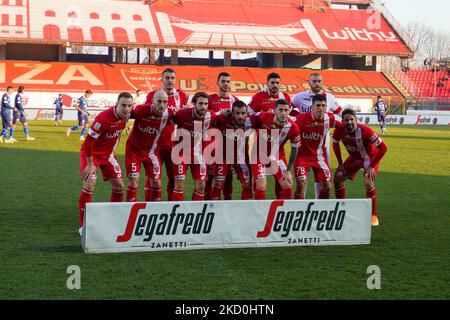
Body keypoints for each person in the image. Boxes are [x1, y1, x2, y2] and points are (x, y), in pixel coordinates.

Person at [77, 92, 133, 236]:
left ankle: (113, 220)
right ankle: (83, 226)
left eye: (129, 106)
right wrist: (90, 164)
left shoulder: (127, 116)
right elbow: (88, 142)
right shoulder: (103, 119)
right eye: (123, 105)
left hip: (108, 155)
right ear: (116, 104)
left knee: (119, 186)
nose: (127, 109)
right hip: (91, 154)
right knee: (90, 183)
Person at [332, 108, 388, 226]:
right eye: (346, 120)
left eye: (352, 119)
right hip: (353, 159)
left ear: (356, 120)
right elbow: (335, 144)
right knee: (337, 179)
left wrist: (372, 166)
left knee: (367, 182)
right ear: (342, 121)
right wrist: (340, 164)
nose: (349, 122)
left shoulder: (366, 131)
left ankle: (373, 215)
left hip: (369, 159)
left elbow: (383, 148)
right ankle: (340, 209)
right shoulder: (339, 131)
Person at [291, 73, 342, 199]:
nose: (317, 83)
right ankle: (299, 204)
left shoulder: (329, 98)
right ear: (309, 82)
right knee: (302, 180)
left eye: (319, 81)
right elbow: (287, 108)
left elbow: (341, 114)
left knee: (323, 179)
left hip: (322, 144)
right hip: (303, 145)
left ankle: (317, 204)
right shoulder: (299, 97)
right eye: (314, 81)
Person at [144, 68, 191, 201]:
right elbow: (144, 114)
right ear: (162, 79)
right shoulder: (152, 96)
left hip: (174, 146)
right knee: (152, 177)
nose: (170, 80)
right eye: (167, 78)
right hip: (155, 146)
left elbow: (191, 111)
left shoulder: (183, 96)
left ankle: (171, 208)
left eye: (172, 78)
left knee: (174, 177)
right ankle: (150, 207)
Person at [125, 90, 174, 202]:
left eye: (165, 102)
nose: (162, 105)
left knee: (156, 182)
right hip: (134, 151)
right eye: (159, 101)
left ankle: (155, 212)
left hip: (151, 152)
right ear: (152, 101)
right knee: (133, 179)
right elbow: (125, 114)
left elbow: (183, 118)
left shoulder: (169, 114)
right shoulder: (141, 110)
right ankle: (130, 210)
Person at [251, 99, 300, 200]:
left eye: (286, 110)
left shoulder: (293, 128)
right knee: (261, 186)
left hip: (277, 157)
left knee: (287, 185)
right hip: (258, 156)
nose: (283, 113)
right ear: (274, 110)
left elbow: (294, 149)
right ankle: (259, 213)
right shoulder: (263, 116)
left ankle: (282, 213)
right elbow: (249, 117)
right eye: (280, 110)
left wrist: (288, 170)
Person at [171, 92, 216, 201]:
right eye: (200, 103)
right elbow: (169, 121)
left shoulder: (211, 117)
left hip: (198, 155)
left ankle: (195, 214)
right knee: (179, 184)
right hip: (181, 154)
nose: (203, 107)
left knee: (201, 186)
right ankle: (177, 213)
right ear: (194, 104)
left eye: (206, 104)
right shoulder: (182, 114)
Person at [205, 72, 240, 200]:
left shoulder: (235, 101)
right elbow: (205, 120)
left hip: (228, 148)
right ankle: (206, 208)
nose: (226, 84)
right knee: (208, 180)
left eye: (228, 81)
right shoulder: (209, 100)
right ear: (217, 83)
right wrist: (219, 116)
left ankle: (226, 208)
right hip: (211, 147)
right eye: (223, 81)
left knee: (227, 180)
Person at [211, 100, 253, 200]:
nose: (240, 116)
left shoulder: (251, 121)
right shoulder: (222, 118)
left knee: (247, 185)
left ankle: (245, 210)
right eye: (237, 113)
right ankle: (214, 211)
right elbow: (209, 123)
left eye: (243, 113)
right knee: (218, 183)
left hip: (241, 158)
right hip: (223, 156)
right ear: (232, 112)